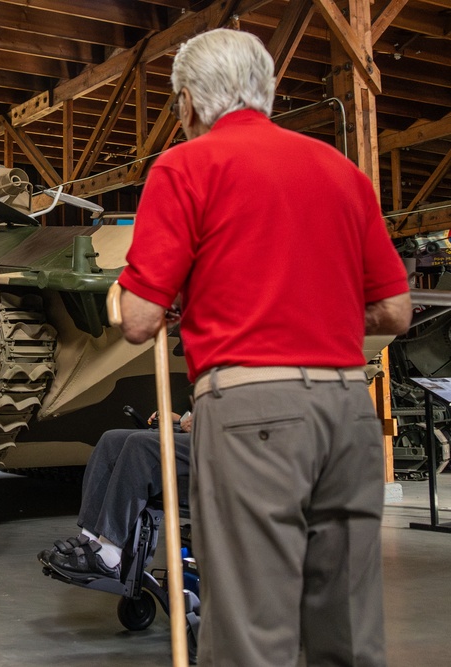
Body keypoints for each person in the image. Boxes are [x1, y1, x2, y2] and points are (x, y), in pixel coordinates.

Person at [116, 29, 412, 666]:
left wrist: (152, 296)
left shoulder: (185, 165)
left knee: (253, 620)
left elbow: (139, 320)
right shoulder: (342, 172)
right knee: (350, 619)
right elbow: (396, 311)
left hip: (254, 413)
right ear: (268, 92)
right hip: (348, 409)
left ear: (190, 103)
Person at [40, 413, 192, 581]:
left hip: (218, 445)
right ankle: (89, 539)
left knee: (140, 445)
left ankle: (108, 556)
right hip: (204, 431)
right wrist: (182, 418)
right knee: (111, 439)